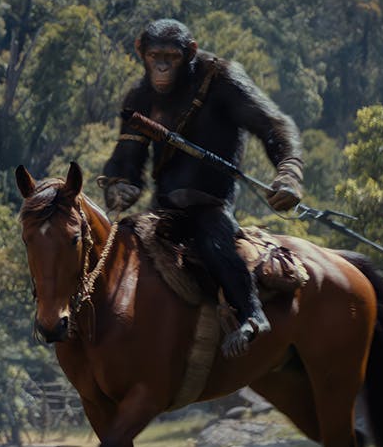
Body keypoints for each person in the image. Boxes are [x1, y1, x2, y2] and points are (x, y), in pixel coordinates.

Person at [98, 18, 305, 357]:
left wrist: (289, 171)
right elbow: (126, 159)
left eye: (171, 58)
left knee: (212, 241)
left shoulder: (219, 78)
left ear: (190, 52)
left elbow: (273, 125)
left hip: (212, 201)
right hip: (164, 207)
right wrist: (120, 186)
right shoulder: (140, 98)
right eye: (154, 57)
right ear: (140, 52)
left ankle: (252, 315)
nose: (162, 68)